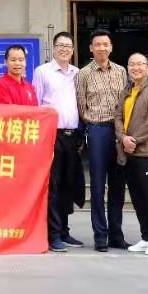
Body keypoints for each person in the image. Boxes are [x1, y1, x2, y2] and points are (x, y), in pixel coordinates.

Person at [75, 30, 130, 252]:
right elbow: (81, 106)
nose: (102, 48)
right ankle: (100, 235)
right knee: (98, 185)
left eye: (105, 44)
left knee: (118, 184)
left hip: (119, 131)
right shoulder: (83, 74)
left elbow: (126, 101)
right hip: (97, 130)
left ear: (111, 47)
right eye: (97, 44)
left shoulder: (121, 71)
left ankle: (116, 234)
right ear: (91, 48)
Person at [34, 31, 83, 251]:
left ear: (72, 50)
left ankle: (64, 231)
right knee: (53, 185)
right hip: (51, 135)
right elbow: (37, 104)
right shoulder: (42, 72)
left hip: (72, 136)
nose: (64, 49)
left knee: (67, 184)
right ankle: (52, 234)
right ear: (53, 48)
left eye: (68, 46)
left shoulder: (78, 73)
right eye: (60, 45)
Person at [117, 53, 148, 257]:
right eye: (132, 64)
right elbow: (117, 116)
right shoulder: (127, 90)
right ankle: (146, 237)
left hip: (147, 152)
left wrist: (133, 140)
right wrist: (123, 138)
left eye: (140, 64)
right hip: (129, 152)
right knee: (137, 197)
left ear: (147, 67)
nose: (136, 68)